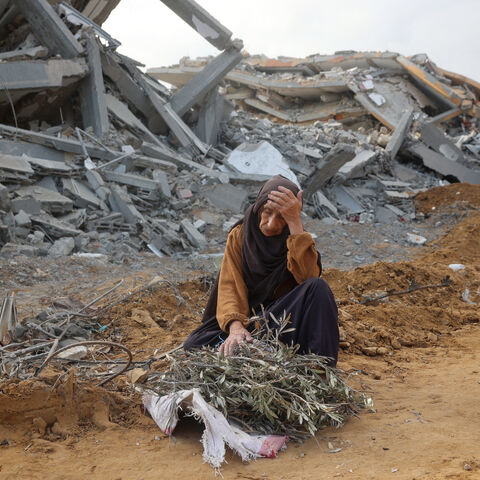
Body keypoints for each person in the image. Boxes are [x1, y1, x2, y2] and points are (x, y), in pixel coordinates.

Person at [184, 175, 339, 366]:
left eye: (282, 217)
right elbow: (230, 285)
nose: (271, 224)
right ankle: (256, 348)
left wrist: (295, 224)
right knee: (195, 344)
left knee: (318, 287)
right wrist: (236, 327)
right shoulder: (241, 235)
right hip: (249, 323)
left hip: (283, 322)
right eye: (267, 212)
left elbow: (308, 277)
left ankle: (320, 369)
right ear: (258, 207)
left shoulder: (295, 237)